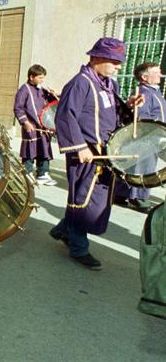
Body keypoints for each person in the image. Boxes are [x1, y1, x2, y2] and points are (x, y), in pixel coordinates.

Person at [49, 38, 141, 269]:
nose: (119, 67)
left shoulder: (110, 85)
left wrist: (129, 106)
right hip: (86, 152)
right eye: (115, 62)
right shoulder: (81, 83)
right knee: (85, 199)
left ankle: (63, 229)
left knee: (93, 199)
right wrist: (80, 147)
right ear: (97, 58)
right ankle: (79, 248)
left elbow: (112, 116)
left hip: (104, 152)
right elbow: (65, 116)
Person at [114, 62, 165, 212]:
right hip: (148, 136)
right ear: (144, 77)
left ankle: (120, 194)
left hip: (157, 135)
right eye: (156, 72)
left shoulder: (154, 92)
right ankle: (138, 197)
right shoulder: (143, 93)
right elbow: (142, 117)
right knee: (143, 167)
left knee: (134, 165)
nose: (160, 74)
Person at [13, 65, 57, 185]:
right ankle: (26, 173)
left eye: (43, 78)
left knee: (44, 149)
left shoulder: (41, 90)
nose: (42, 80)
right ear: (31, 77)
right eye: (40, 77)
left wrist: (53, 95)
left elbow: (50, 104)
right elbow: (18, 108)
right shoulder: (23, 90)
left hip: (43, 127)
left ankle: (43, 174)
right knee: (30, 151)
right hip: (31, 127)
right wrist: (25, 122)